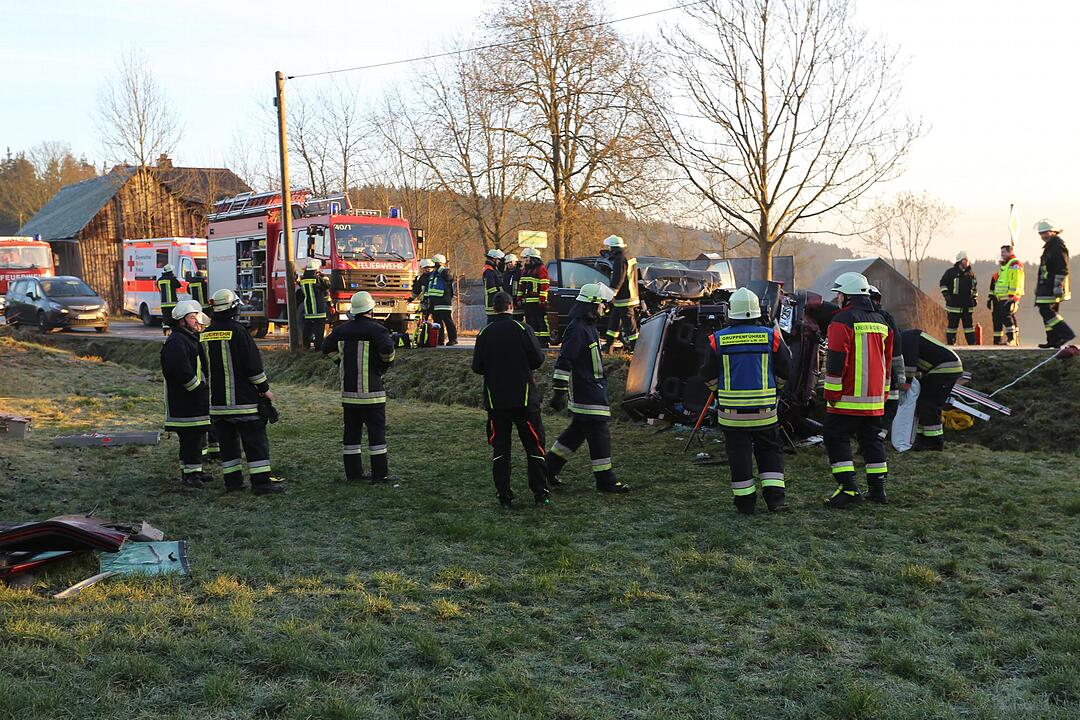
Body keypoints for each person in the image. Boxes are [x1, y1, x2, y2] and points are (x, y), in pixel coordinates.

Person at [702, 287, 791, 514]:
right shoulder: (772, 337)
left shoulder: (716, 340)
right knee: (770, 452)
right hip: (766, 412)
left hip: (731, 415)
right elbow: (785, 370)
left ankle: (745, 503)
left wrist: (719, 393)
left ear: (731, 311)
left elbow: (707, 375)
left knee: (738, 456)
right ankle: (776, 500)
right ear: (757, 311)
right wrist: (776, 390)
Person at [546, 282, 631, 494]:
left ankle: (546, 470)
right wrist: (559, 392)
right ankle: (605, 480)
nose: (604, 308)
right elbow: (565, 361)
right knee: (600, 435)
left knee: (574, 435)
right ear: (592, 305)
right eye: (602, 304)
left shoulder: (587, 327)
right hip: (587, 392)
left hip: (591, 388)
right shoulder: (578, 329)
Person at [822, 272, 895, 507]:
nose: (838, 298)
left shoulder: (842, 320)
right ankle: (878, 489)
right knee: (872, 440)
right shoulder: (883, 321)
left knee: (835, 437)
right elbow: (887, 360)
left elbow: (835, 360)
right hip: (874, 399)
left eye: (839, 294)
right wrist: (883, 393)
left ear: (847, 295)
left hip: (847, 397)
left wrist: (831, 393)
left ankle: (849, 489)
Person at [202, 289, 285, 495]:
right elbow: (252, 366)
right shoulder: (239, 332)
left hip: (218, 405)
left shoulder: (204, 335)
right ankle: (261, 483)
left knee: (228, 446)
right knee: (255, 443)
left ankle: (233, 483)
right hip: (244, 403)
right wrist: (264, 389)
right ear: (233, 308)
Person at [472, 291, 549, 508]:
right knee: (534, 447)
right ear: (511, 306)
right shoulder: (523, 329)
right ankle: (540, 493)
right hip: (525, 400)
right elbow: (537, 359)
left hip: (496, 402)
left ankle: (504, 496)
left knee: (501, 449)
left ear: (494, 308)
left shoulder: (485, 333)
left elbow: (477, 367)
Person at [322, 291, 399, 484]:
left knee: (351, 435)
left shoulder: (341, 330)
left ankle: (353, 474)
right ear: (371, 309)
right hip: (372, 394)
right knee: (376, 436)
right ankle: (380, 475)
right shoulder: (377, 330)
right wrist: (382, 367)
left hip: (349, 395)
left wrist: (340, 362)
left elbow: (326, 347)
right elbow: (388, 352)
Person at [161, 300, 212, 488]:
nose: (196, 321)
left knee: (196, 437)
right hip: (186, 400)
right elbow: (180, 371)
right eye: (192, 318)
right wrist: (197, 389)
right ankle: (190, 475)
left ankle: (195, 470)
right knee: (190, 438)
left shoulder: (189, 338)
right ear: (182, 321)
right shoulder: (177, 341)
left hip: (193, 399)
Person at [900, 329, 963, 451]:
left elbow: (909, 365)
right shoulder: (905, 337)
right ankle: (923, 438)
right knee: (922, 403)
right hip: (940, 368)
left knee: (929, 404)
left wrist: (906, 383)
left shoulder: (905, 340)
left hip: (945, 368)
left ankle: (934, 442)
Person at [868, 285, 906, 436]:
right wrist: (901, 375)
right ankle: (878, 436)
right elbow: (896, 346)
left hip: (878, 372)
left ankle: (877, 436)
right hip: (884, 372)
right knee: (888, 404)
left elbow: (896, 347)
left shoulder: (854, 317)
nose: (876, 303)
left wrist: (901, 375)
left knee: (888, 404)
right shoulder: (885, 318)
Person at [1033, 219, 1076, 348]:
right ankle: (1053, 340)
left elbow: (1063, 268)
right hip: (1046, 285)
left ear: (1053, 231)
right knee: (1049, 310)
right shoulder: (1051, 246)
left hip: (1052, 285)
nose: (1043, 236)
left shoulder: (1058, 246)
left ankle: (1065, 333)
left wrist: (1058, 285)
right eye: (1041, 234)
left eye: (1045, 233)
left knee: (1045, 310)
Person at [601, 235, 640, 352]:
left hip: (624, 297)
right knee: (614, 322)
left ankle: (636, 347)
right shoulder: (628, 256)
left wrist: (612, 293)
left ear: (613, 248)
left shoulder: (620, 259)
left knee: (629, 325)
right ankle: (608, 345)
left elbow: (618, 278)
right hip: (627, 295)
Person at [939, 251, 978, 345]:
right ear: (960, 261)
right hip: (953, 306)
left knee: (969, 328)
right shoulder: (951, 273)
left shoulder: (971, 274)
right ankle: (951, 345)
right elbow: (942, 284)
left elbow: (974, 288)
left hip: (967, 306)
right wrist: (947, 296)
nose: (967, 262)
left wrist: (974, 299)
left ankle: (972, 346)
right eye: (965, 260)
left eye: (968, 260)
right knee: (952, 327)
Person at [988, 244, 1024, 346]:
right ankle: (1012, 340)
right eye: (1001, 253)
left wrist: (1012, 296)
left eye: (1004, 252)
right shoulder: (1006, 265)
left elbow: (1015, 280)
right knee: (1006, 317)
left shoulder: (1014, 264)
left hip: (1009, 296)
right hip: (1002, 296)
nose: (1002, 255)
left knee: (1007, 317)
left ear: (1010, 252)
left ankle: (1011, 339)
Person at [517, 248, 551, 347]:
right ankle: (534, 341)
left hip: (537, 302)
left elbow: (544, 285)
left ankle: (544, 341)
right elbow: (521, 285)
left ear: (533, 258)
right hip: (528, 302)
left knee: (540, 321)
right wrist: (519, 298)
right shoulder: (525, 270)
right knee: (530, 322)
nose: (525, 260)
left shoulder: (541, 269)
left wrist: (542, 299)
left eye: (527, 258)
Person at [296, 259, 332, 350]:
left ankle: (306, 346)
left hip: (308, 309)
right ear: (316, 269)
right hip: (319, 309)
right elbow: (327, 286)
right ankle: (318, 349)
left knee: (307, 329)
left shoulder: (303, 280)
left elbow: (299, 282)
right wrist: (325, 277)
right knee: (319, 331)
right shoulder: (318, 280)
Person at [427, 253, 458, 345]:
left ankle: (453, 339)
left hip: (444, 301)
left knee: (447, 320)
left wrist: (440, 268)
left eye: (435, 263)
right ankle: (440, 340)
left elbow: (449, 277)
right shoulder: (433, 274)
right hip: (434, 301)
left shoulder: (446, 271)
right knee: (437, 322)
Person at [482, 248, 505, 324]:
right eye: (499, 260)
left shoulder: (491, 269)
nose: (500, 263)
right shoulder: (490, 271)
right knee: (492, 322)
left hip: (492, 301)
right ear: (494, 259)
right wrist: (501, 296)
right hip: (492, 302)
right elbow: (491, 288)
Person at [157, 264, 182, 336]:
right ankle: (175, 333)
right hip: (173, 303)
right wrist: (174, 277)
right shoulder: (172, 279)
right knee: (174, 318)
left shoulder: (159, 280)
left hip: (164, 303)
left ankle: (166, 333)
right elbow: (178, 285)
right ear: (170, 271)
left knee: (166, 318)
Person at [501, 254, 525, 324]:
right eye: (507, 263)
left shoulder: (520, 272)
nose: (509, 264)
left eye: (511, 262)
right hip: (508, 301)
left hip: (518, 302)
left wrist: (518, 299)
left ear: (516, 262)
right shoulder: (505, 274)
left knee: (518, 320)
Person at [412, 258, 435, 323]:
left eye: (429, 268)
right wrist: (410, 299)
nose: (427, 270)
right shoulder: (422, 277)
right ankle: (423, 328)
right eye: (425, 268)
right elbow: (417, 290)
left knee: (435, 318)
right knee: (423, 318)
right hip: (425, 301)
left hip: (432, 302)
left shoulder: (434, 277)